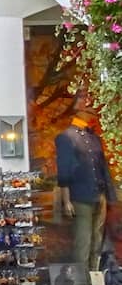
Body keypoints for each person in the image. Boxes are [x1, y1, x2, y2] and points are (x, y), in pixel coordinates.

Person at [55, 92, 116, 274]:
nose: (90, 108)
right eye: (85, 103)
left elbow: (103, 167)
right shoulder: (66, 137)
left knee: (97, 243)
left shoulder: (94, 138)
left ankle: (95, 284)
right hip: (80, 197)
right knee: (83, 242)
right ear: (78, 106)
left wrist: (110, 196)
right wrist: (66, 200)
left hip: (99, 195)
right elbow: (64, 170)